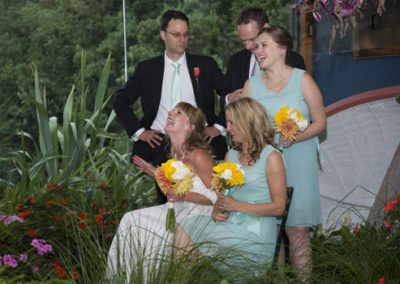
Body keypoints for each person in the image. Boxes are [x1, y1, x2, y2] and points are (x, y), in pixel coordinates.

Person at [113, 10, 229, 203]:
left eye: (185, 34)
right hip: (159, 143)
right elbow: (120, 100)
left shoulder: (205, 65)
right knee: (169, 200)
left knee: (209, 196)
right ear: (163, 35)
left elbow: (230, 95)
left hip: (201, 139)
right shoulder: (147, 69)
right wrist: (140, 131)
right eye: (176, 34)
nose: (182, 39)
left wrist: (218, 127)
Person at [241, 26, 326, 282]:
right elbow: (244, 128)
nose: (258, 51)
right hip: (267, 162)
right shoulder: (251, 86)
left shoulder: (303, 79)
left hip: (299, 158)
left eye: (264, 45)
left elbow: (320, 123)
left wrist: (294, 138)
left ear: (281, 49)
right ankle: (276, 280)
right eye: (257, 47)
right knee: (271, 229)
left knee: (297, 230)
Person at [174, 97, 287, 278]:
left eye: (232, 122)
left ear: (248, 122)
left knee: (188, 243)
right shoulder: (231, 155)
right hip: (230, 225)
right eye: (227, 122)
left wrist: (237, 206)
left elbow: (279, 207)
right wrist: (216, 210)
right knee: (185, 229)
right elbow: (222, 195)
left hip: (255, 234)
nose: (227, 128)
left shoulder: (271, 156)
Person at [107, 102, 218, 283]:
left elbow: (216, 197)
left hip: (198, 215)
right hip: (177, 209)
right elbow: (174, 192)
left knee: (149, 231)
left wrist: (181, 194)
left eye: (179, 112)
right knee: (130, 220)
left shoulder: (198, 154)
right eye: (172, 111)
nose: (170, 114)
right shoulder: (175, 154)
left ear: (190, 127)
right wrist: (156, 173)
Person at [225, 6, 305, 103]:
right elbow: (225, 96)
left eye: (252, 39)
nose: (247, 46)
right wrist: (228, 99)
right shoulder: (235, 61)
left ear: (266, 28)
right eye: (243, 41)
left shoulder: (293, 61)